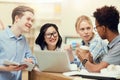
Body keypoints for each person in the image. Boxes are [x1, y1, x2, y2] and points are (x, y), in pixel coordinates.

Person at [76, 5, 120, 72]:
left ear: (103, 28)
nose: (96, 31)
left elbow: (96, 70)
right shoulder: (113, 45)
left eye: (96, 27)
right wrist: (91, 62)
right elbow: (103, 70)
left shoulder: (118, 47)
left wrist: (83, 60)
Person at [0, 5, 36, 80]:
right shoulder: (1, 37)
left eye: (32, 21)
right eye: (28, 19)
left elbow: (32, 58)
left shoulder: (23, 40)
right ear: (17, 18)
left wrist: (30, 61)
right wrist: (6, 68)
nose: (31, 23)